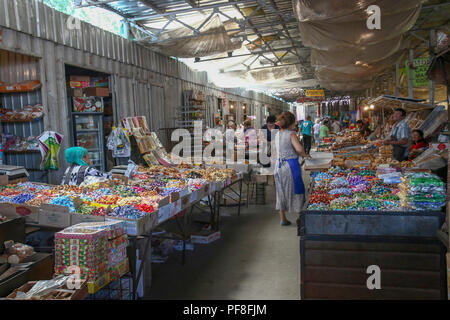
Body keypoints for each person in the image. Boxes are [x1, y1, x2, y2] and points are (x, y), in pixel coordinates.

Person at [274, 111, 311, 226]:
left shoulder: (277, 134)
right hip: (290, 166)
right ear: (291, 123)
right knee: (298, 189)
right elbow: (299, 149)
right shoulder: (291, 134)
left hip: (278, 166)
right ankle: (301, 218)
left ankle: (283, 218)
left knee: (281, 191)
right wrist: (306, 155)